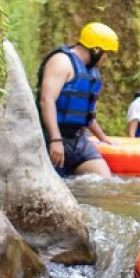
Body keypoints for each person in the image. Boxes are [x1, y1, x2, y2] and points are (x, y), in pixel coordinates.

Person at [36, 22, 117, 178]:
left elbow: (89, 115)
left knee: (104, 180)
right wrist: (55, 139)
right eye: (107, 53)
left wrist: (103, 138)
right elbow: (47, 101)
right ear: (96, 49)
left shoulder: (91, 72)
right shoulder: (61, 62)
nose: (106, 59)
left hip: (78, 140)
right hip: (52, 137)